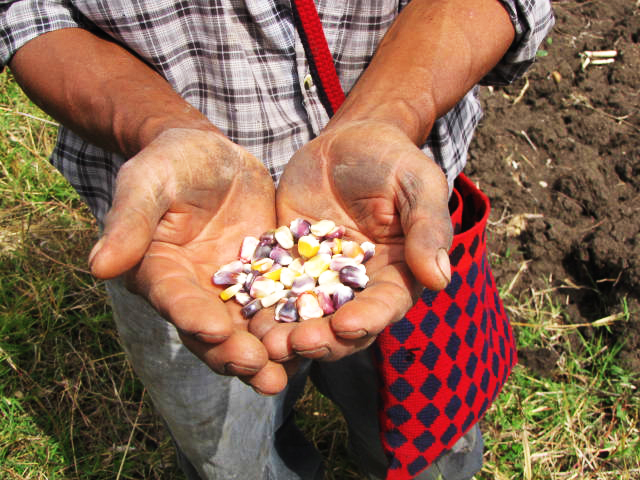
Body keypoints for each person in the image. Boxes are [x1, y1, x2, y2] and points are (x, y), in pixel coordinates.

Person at [0, 1, 554, 479]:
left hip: (390, 217)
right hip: (181, 235)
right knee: (228, 444)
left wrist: (390, 114)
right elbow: (28, 14)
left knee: (426, 406)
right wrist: (162, 128)